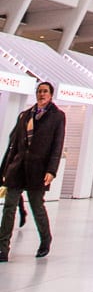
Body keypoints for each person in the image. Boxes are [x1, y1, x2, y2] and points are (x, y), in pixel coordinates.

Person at [0, 80, 66, 262]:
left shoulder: (57, 116)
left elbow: (57, 146)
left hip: (38, 169)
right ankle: (2, 247)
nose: (41, 94)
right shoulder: (25, 115)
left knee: (37, 206)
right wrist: (6, 168)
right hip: (18, 167)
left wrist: (52, 170)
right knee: (9, 207)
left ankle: (46, 239)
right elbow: (14, 145)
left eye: (45, 91)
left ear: (51, 95)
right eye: (39, 91)